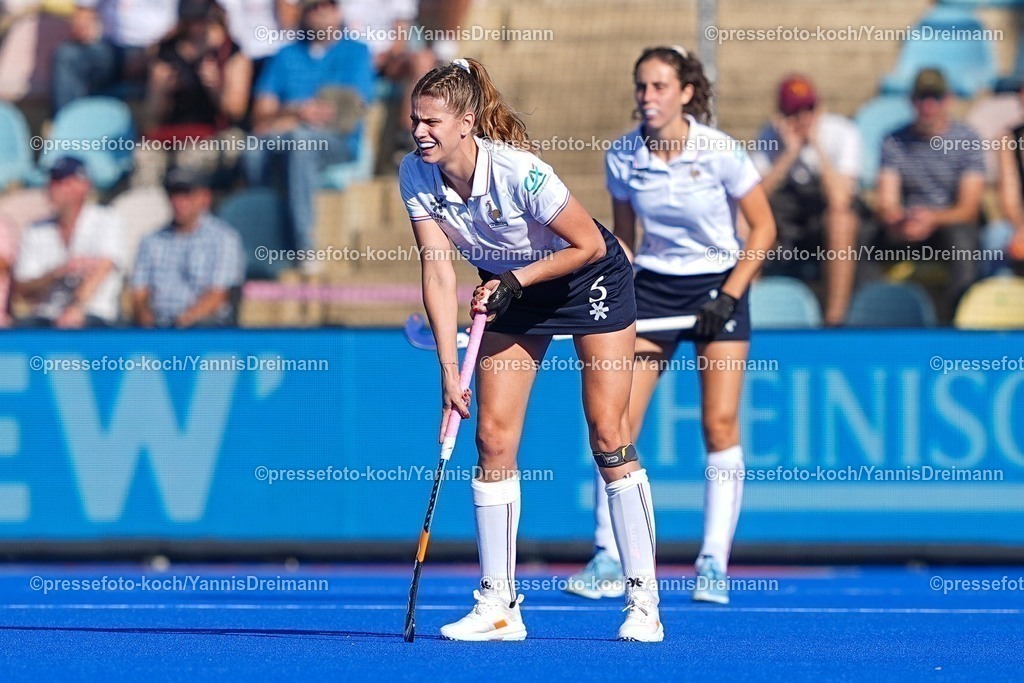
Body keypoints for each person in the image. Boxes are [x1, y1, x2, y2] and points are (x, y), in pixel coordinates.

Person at [400, 58, 663, 642]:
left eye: (432, 122)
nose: (420, 132)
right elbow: (437, 270)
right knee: (492, 438)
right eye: (416, 120)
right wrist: (448, 367)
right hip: (510, 288)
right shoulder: (414, 173)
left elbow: (590, 244)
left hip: (586, 279)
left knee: (609, 434)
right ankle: (499, 605)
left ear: (466, 123)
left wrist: (516, 282)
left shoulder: (519, 172)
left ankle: (643, 600)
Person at [566, 46, 775, 605]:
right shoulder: (622, 156)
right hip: (653, 289)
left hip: (718, 288)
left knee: (719, 424)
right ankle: (609, 556)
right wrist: (607, 294)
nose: (647, 97)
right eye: (642, 86)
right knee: (615, 423)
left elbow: (763, 229)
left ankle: (713, 562)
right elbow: (624, 241)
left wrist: (729, 297)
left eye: (659, 86)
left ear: (685, 92)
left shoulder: (720, 151)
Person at [245, 0, 374, 267]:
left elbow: (348, 113)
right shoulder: (286, 54)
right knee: (253, 148)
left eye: (328, 5)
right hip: (285, 135)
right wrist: (296, 112)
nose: (322, 12)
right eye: (314, 7)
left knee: (301, 142)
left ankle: (304, 244)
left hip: (337, 141)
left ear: (338, 11)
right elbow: (260, 114)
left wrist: (291, 118)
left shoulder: (357, 52)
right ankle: (262, 239)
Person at [870, 68, 985, 322]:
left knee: (962, 241)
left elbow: (968, 208)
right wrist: (897, 219)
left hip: (947, 224)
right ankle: (863, 318)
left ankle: (959, 320)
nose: (928, 106)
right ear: (912, 101)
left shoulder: (967, 139)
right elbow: (886, 201)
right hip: (907, 224)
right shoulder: (894, 140)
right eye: (922, 97)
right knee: (864, 236)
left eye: (936, 97)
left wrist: (932, 218)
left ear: (949, 100)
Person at [751, 75, 863, 325]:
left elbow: (840, 200)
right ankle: (746, 307)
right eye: (794, 112)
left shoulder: (843, 132)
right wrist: (789, 153)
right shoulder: (769, 135)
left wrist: (817, 148)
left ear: (819, 109)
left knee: (841, 220)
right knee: (745, 220)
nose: (803, 119)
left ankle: (834, 320)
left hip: (824, 209)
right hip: (788, 212)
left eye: (809, 110)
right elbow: (754, 198)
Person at [12, 156, 125, 328]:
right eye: (52, 181)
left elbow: (104, 267)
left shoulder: (106, 220)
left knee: (80, 323)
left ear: (83, 186)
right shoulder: (36, 230)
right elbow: (23, 288)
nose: (52, 187)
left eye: (61, 181)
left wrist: (76, 307)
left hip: (94, 316)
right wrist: (57, 273)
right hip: (46, 316)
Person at [132, 167, 245, 328]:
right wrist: (147, 321)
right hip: (157, 328)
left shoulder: (224, 239)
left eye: (186, 194)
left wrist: (181, 325)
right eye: (174, 194)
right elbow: (139, 292)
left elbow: (219, 294)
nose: (179, 202)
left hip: (205, 328)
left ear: (205, 198)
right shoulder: (150, 240)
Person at [51, 0, 179, 112]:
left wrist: (151, 51)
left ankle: (159, 129)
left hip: (163, 49)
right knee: (69, 56)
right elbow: (83, 16)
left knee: (165, 73)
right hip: (113, 49)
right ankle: (67, 126)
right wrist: (84, 25)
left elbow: (184, 21)